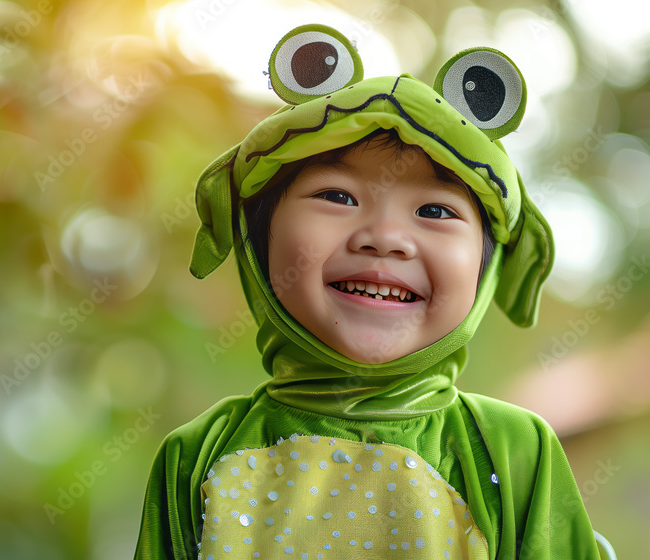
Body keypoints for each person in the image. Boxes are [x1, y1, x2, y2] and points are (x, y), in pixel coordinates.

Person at [135, 23, 616, 559]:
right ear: (256, 237)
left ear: (487, 267)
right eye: (337, 196)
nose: (385, 238)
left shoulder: (514, 452)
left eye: (436, 211)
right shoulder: (196, 455)